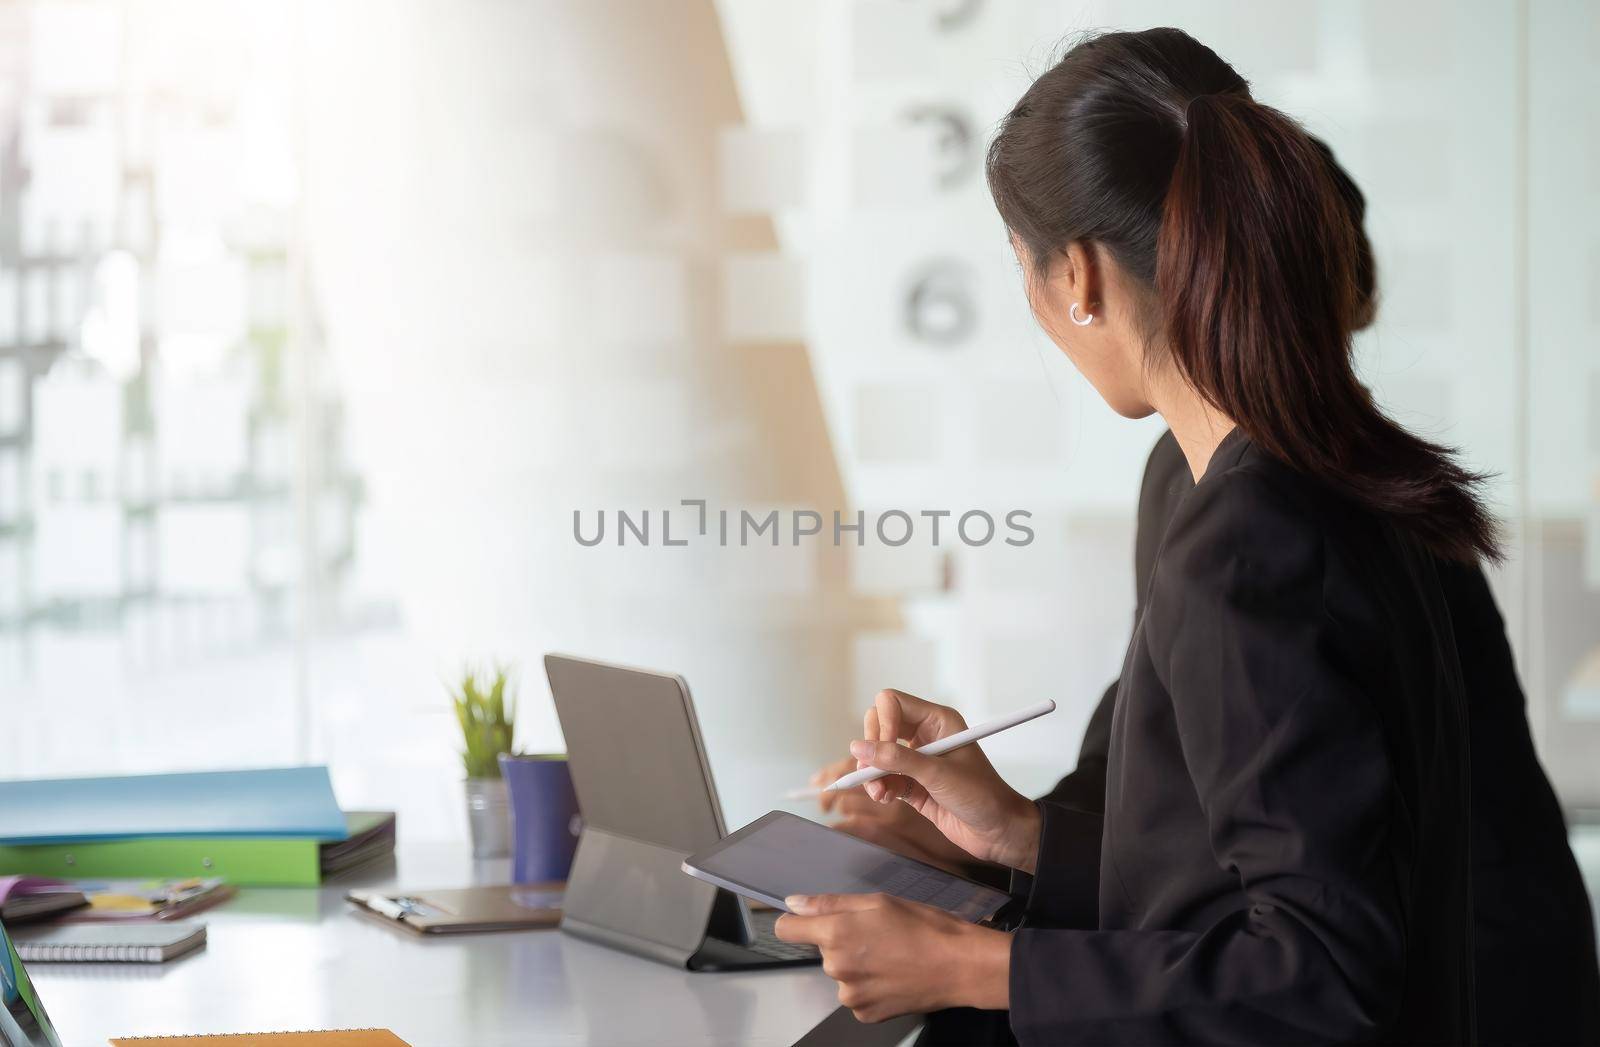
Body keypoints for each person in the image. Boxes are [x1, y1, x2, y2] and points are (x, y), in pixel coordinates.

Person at [774, 27, 1560, 1043]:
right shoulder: (1315, 474)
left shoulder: (1248, 545)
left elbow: (1320, 971)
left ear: (1079, 281)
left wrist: (976, 965)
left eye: (1023, 265)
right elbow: (1232, 871)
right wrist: (1012, 831)